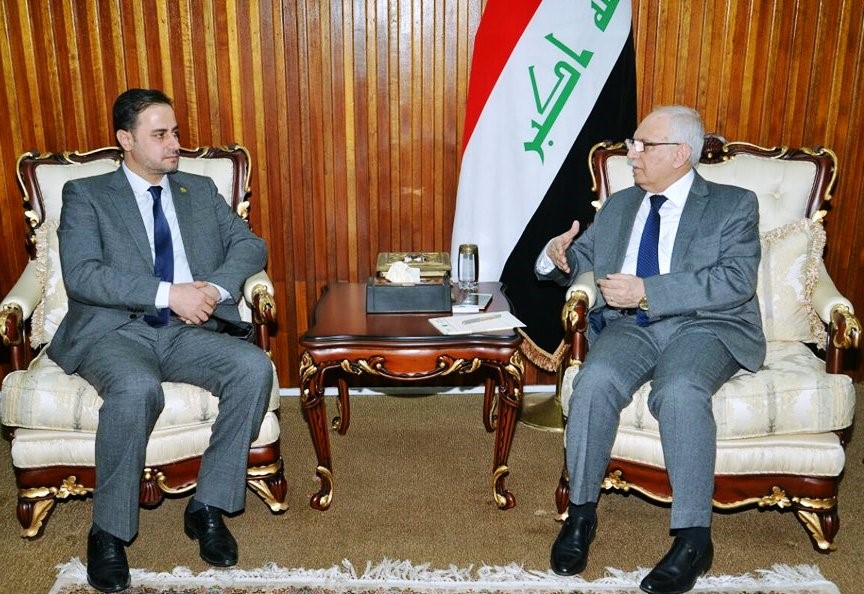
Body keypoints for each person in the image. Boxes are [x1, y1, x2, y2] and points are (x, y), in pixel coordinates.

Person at [48, 88, 274, 593]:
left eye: (175, 132)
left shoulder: (199, 190)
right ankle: (108, 532)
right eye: (160, 134)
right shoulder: (86, 195)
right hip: (116, 331)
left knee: (253, 368)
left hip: (188, 331)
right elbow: (83, 275)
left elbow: (250, 245)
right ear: (126, 140)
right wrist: (169, 293)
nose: (174, 143)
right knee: (136, 389)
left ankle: (208, 505)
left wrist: (212, 290)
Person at [536, 105, 765, 594]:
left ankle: (693, 538)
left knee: (679, 390)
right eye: (632, 144)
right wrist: (559, 255)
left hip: (706, 326)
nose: (632, 154)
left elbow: (736, 280)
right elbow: (581, 257)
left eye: (644, 145)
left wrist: (648, 291)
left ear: (680, 154)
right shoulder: (621, 204)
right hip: (633, 326)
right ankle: (580, 515)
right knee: (593, 382)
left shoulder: (733, 204)